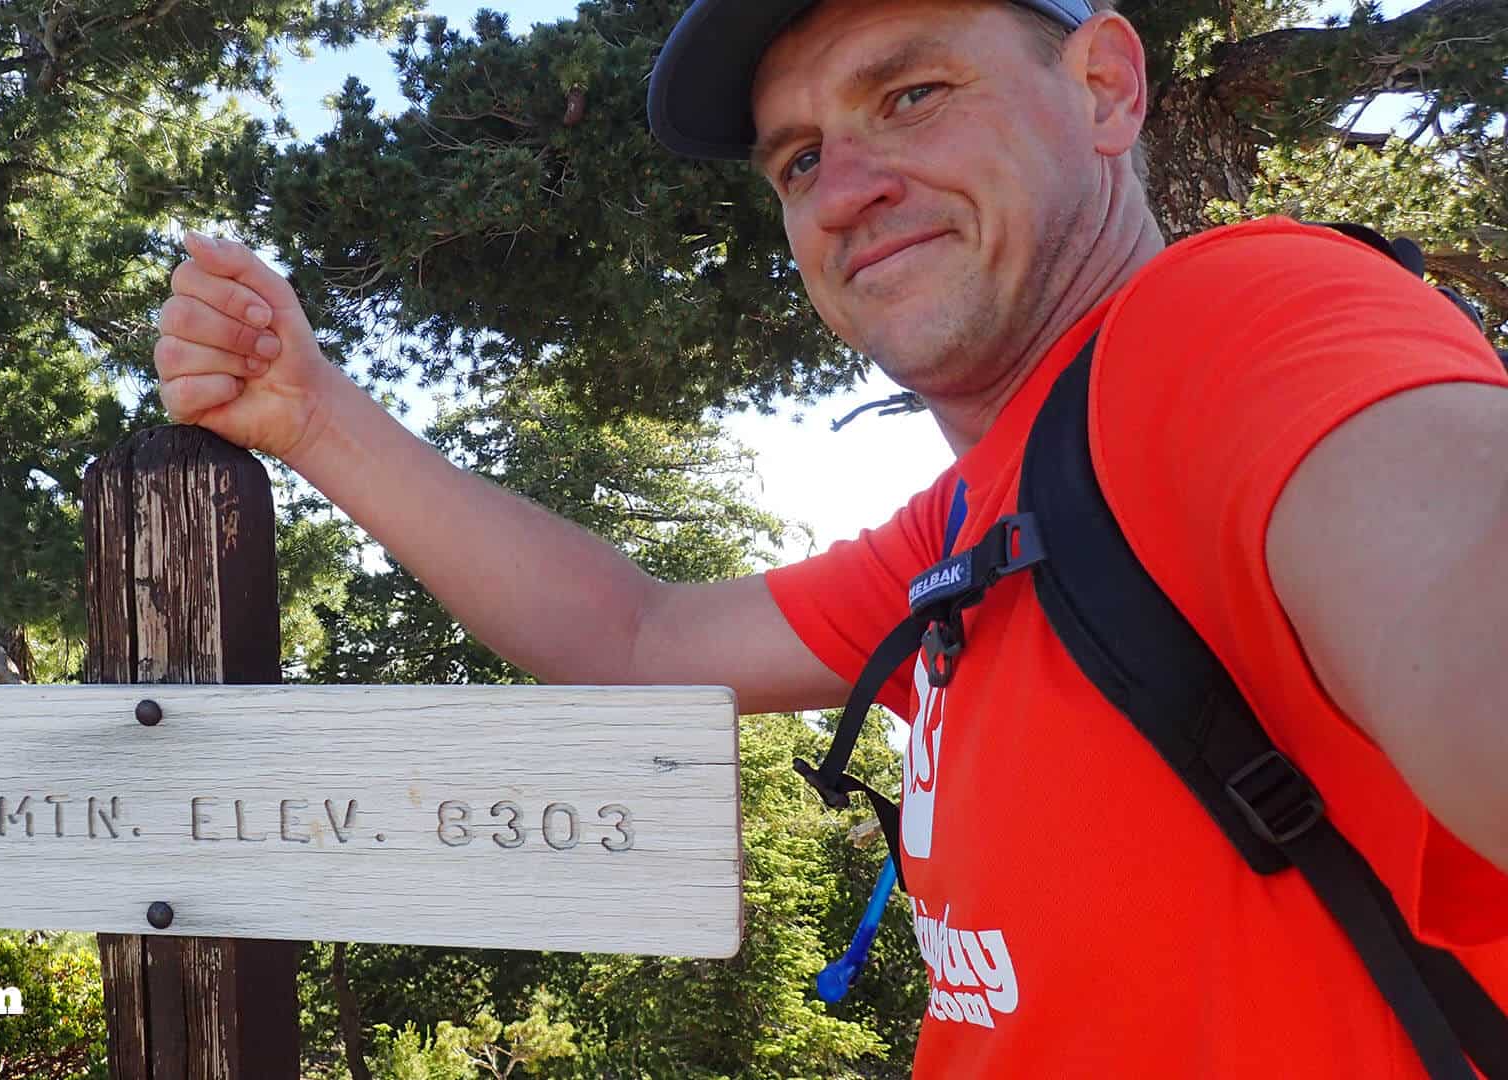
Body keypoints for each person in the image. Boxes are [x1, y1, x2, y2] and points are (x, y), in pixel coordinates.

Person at [153, 0, 1508, 1071]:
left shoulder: (1242, 328)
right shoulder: (983, 519)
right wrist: (314, 417)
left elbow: (1454, 581)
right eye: (798, 159)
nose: (844, 187)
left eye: (909, 95)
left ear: (1104, 86)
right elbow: (640, 638)